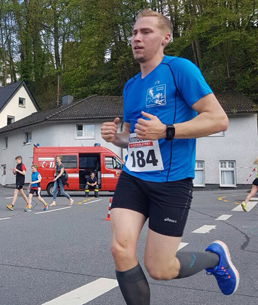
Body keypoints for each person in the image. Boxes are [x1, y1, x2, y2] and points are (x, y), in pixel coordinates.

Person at [100, 9, 238, 305]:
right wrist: (117, 137)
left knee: (160, 268)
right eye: (134, 33)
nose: (137, 38)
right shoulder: (130, 85)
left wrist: (168, 131)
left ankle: (215, 259)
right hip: (134, 178)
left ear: (166, 38)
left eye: (145, 32)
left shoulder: (180, 69)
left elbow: (218, 119)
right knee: (120, 249)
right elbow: (135, 138)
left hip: (172, 182)